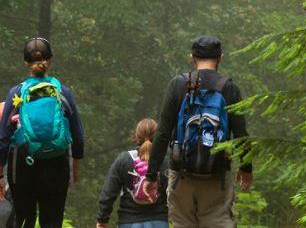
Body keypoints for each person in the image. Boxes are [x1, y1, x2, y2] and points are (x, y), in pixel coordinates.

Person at [141, 36, 252, 228]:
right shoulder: (229, 89)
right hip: (217, 175)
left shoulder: (178, 85)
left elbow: (163, 133)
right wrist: (246, 168)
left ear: (192, 57)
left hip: (181, 174)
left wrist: (151, 175)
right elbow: (241, 134)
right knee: (218, 222)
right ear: (220, 57)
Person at [0, 37, 85, 228]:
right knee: (52, 221)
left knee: (24, 220)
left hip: (23, 164)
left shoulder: (17, 93)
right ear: (50, 60)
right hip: (57, 164)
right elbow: (79, 137)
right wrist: (74, 170)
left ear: (26, 63)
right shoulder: (63, 92)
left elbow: (3, 137)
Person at [95, 118, 169, 228]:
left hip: (128, 222)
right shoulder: (165, 161)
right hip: (158, 221)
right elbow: (175, 194)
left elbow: (108, 193)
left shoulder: (123, 160)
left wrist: (102, 219)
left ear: (136, 136)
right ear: (157, 137)